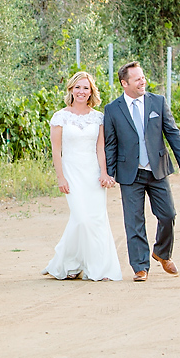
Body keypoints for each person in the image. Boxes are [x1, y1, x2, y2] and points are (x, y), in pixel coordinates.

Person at [103, 61, 180, 282]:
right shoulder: (113, 109)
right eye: (137, 79)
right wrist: (110, 172)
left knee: (168, 214)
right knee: (134, 221)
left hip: (157, 170)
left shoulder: (158, 102)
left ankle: (162, 253)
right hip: (129, 173)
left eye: (143, 77)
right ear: (125, 83)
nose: (142, 81)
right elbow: (111, 143)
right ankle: (140, 266)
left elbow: (172, 133)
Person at [42, 71, 122, 282]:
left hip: (93, 173)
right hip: (72, 172)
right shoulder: (60, 116)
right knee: (81, 218)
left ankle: (95, 268)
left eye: (86, 88)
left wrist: (104, 173)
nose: (81, 91)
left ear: (91, 92)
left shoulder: (98, 117)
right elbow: (56, 151)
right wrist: (61, 178)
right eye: (77, 87)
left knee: (95, 220)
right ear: (71, 89)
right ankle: (68, 263)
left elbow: (100, 149)